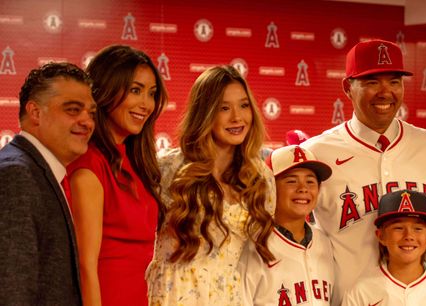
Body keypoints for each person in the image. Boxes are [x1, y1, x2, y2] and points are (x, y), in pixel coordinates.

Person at [300, 39, 426, 304]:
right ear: (348, 87)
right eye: (372, 82)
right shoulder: (317, 152)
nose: (385, 92)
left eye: (394, 81)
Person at [146, 65, 276, 305]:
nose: (237, 117)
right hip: (170, 294)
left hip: (227, 297)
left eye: (244, 105)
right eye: (224, 108)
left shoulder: (261, 178)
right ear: (204, 113)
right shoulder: (166, 168)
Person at [67, 45, 168, 306]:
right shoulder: (89, 165)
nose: (146, 104)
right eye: (135, 90)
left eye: (152, 93)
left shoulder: (136, 162)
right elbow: (84, 266)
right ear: (105, 91)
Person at [0, 62, 95, 305]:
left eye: (91, 113)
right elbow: (12, 289)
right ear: (35, 113)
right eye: (73, 110)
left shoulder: (38, 171)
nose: (87, 121)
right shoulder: (15, 174)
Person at [238, 145, 335, 305]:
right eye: (291, 181)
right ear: (269, 187)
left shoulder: (324, 242)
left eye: (310, 181)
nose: (303, 188)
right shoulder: (253, 245)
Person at [342, 189, 426, 306]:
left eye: (418, 229)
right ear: (381, 236)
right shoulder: (361, 290)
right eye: (398, 228)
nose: (409, 236)